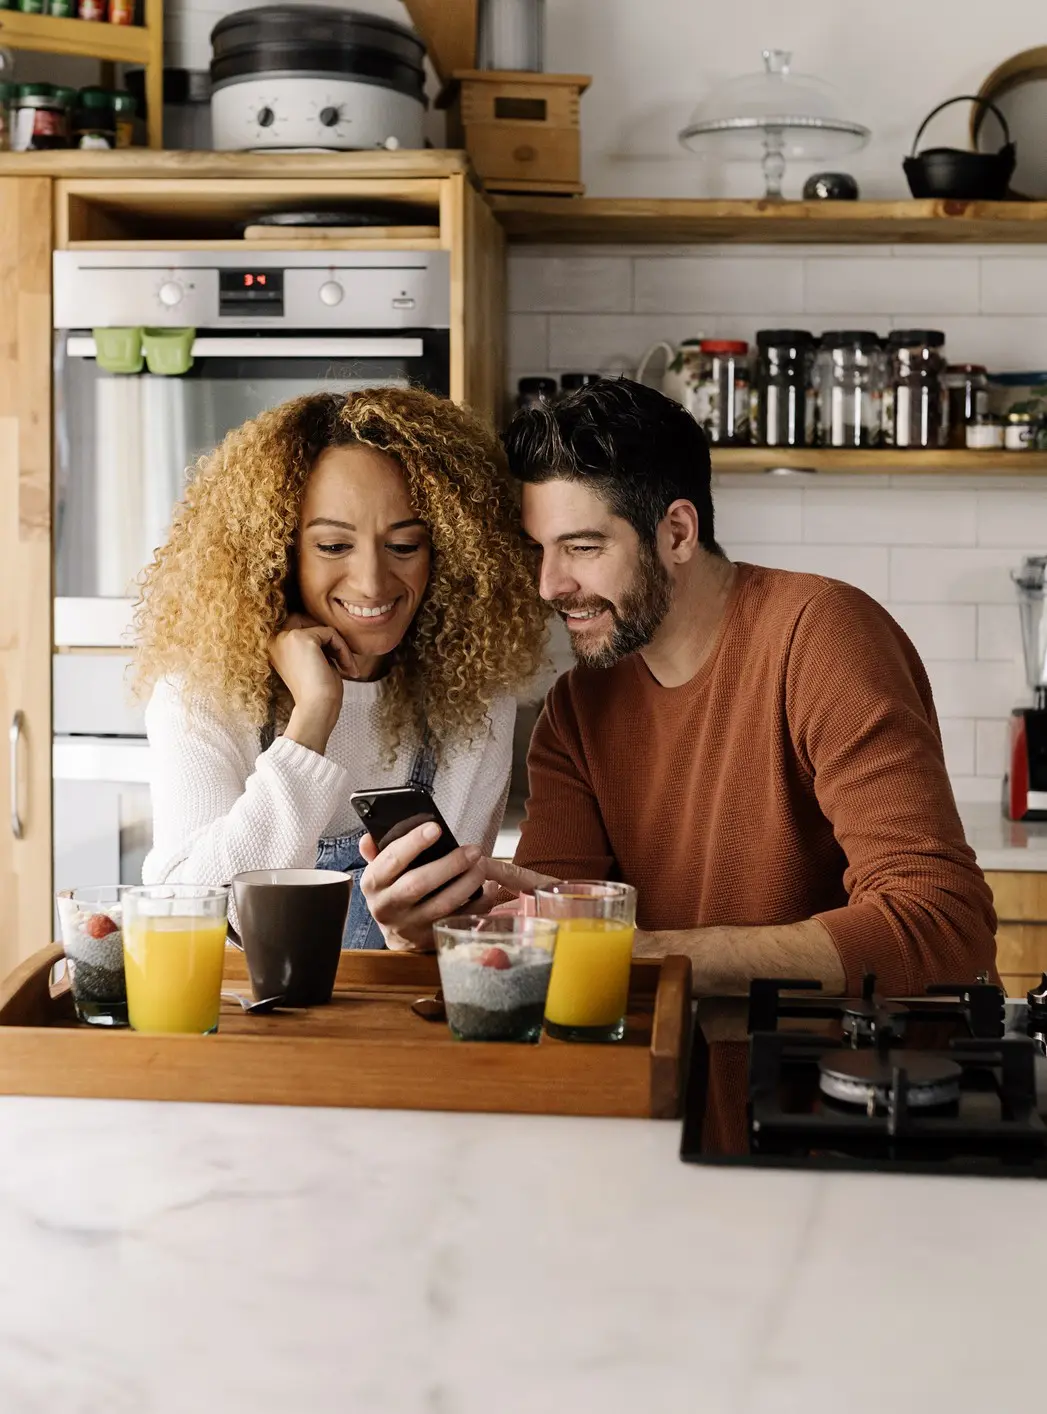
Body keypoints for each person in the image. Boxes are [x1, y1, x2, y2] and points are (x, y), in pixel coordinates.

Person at [378, 374, 995, 1152]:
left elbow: (940, 924)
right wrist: (438, 933)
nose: (549, 585)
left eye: (582, 547)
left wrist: (630, 953)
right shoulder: (576, 709)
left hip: (857, 1127)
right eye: (538, 551)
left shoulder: (821, 637)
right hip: (662, 1127)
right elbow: (553, 953)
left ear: (675, 531)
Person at [135, 386, 547, 949]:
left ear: (447, 554)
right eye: (333, 546)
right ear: (279, 552)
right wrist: (313, 717)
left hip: (394, 1023)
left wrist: (418, 930)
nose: (373, 582)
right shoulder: (201, 690)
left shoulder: (474, 698)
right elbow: (186, 916)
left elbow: (444, 931)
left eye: (404, 546)